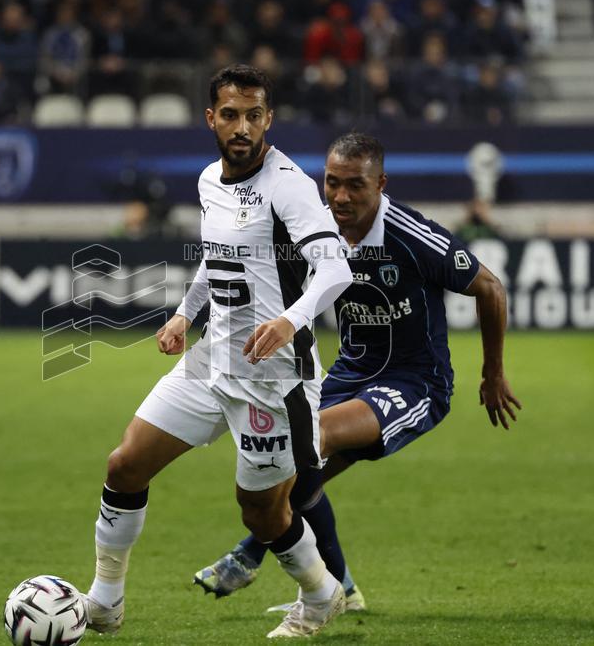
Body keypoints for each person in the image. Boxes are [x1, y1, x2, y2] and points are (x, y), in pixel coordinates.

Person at [193, 132, 521, 612]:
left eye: (355, 186)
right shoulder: (316, 230)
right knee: (299, 475)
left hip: (415, 381)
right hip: (350, 373)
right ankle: (340, 588)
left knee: (309, 444)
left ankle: (249, 556)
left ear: (381, 184)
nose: (341, 197)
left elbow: (490, 288)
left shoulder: (410, 235)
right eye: (332, 183)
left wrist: (492, 373)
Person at [81, 65, 353, 639]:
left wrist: (290, 319)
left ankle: (321, 592)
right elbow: (216, 257)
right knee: (124, 465)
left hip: (274, 379)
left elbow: (335, 268)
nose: (242, 126)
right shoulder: (209, 181)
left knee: (261, 512)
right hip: (210, 362)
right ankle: (105, 600)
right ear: (211, 118)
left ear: (268, 119)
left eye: (254, 115)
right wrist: (185, 313)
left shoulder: (290, 188)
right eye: (230, 114)